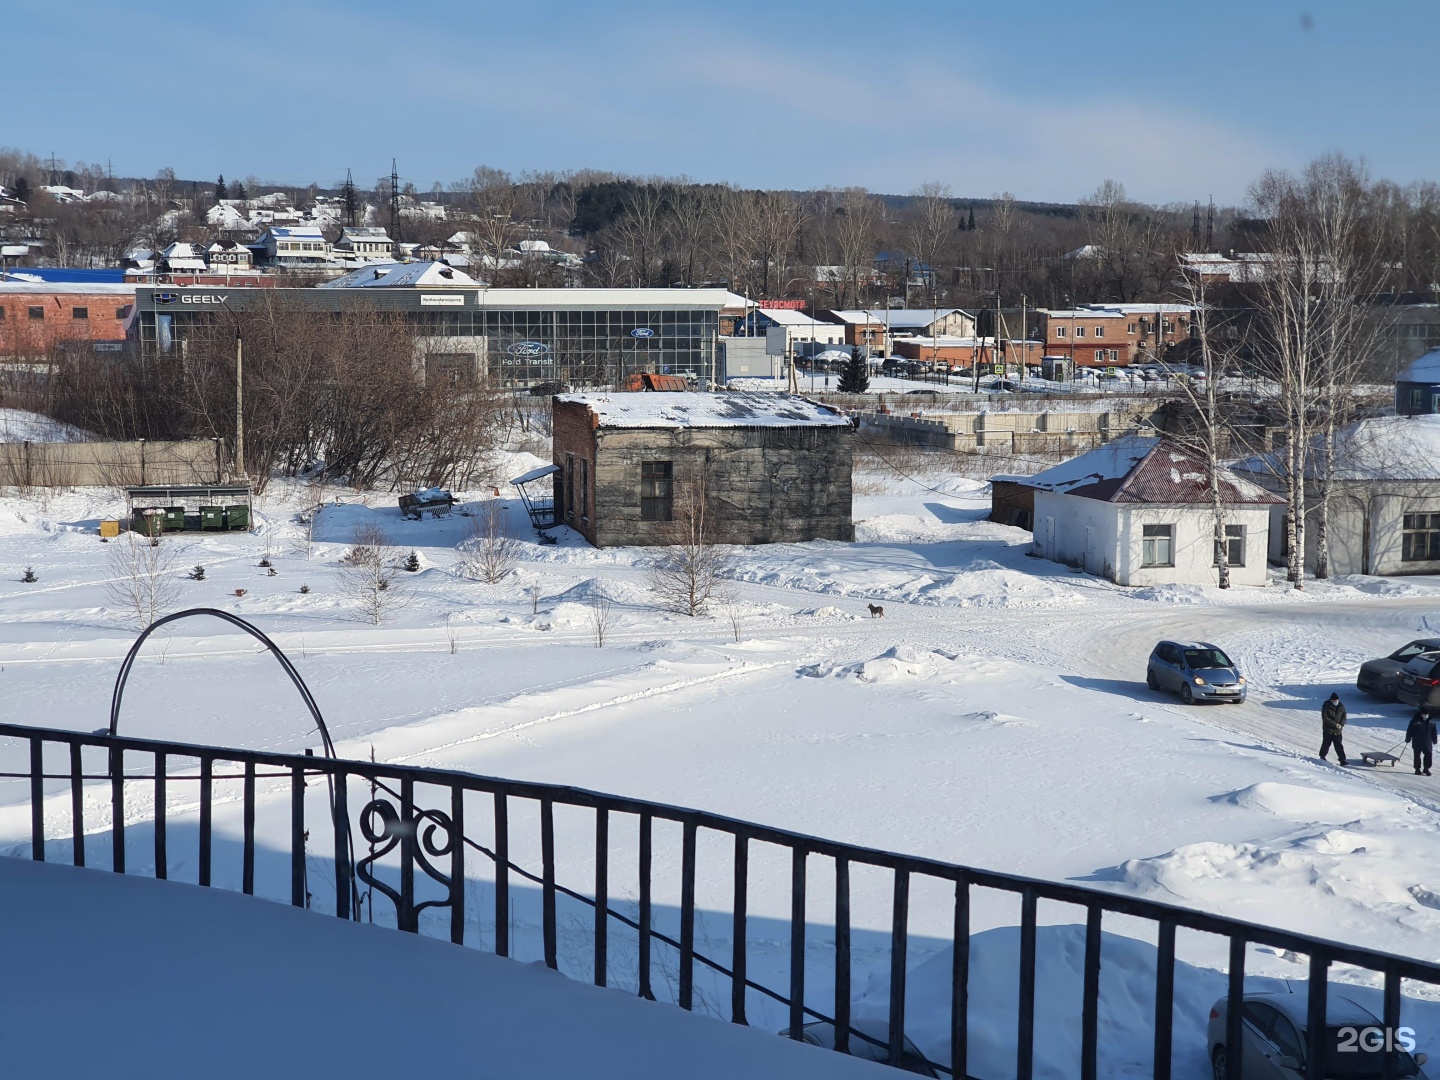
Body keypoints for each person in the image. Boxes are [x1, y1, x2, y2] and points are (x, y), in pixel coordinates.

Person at [1406, 710, 1437, 776]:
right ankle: (1417, 769)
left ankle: (1426, 768)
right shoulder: (1415, 721)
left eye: (1426, 715)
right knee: (1417, 755)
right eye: (1423, 715)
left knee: (1428, 754)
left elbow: (1434, 731)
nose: (1425, 716)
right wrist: (1408, 737)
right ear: (1420, 714)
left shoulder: (1431, 721)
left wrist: (1435, 739)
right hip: (1417, 741)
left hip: (1427, 741)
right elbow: (1410, 730)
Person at [1320, 693, 1348, 766]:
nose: (1336, 702)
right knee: (1326, 744)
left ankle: (1342, 760)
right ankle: (1322, 756)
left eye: (1337, 701)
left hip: (1338, 731)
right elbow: (1325, 718)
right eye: (1334, 701)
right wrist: (1335, 725)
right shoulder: (1326, 706)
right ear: (1331, 700)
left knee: (1339, 745)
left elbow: (1344, 716)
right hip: (1328, 730)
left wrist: (1341, 725)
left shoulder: (1341, 706)